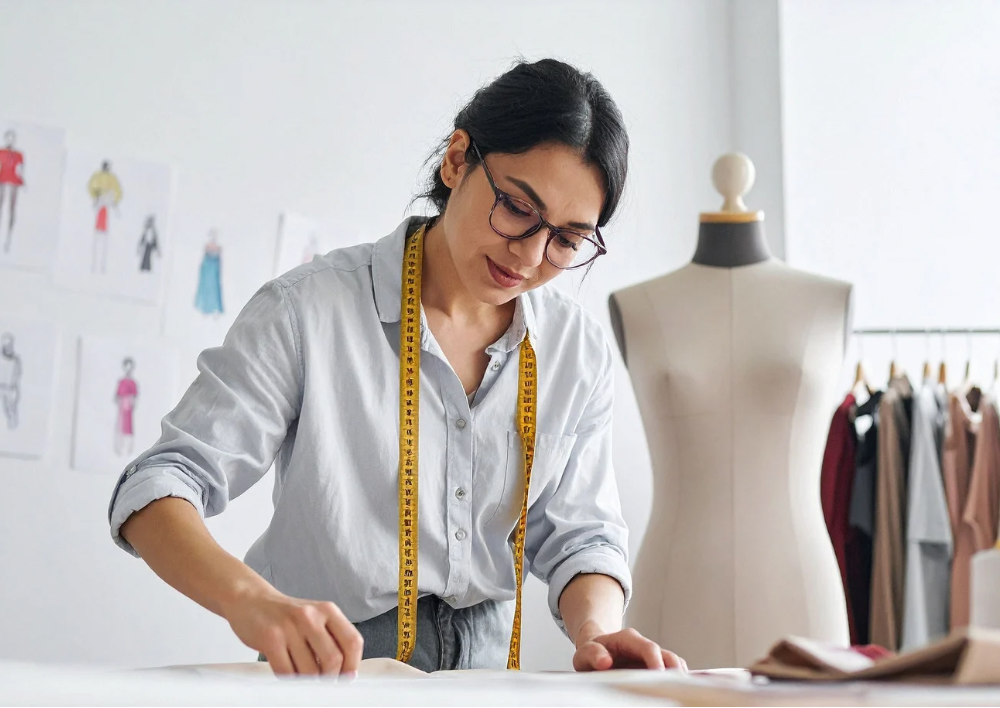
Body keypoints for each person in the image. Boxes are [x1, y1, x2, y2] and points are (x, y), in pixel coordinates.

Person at [108, 58, 687, 677]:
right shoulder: (309, 310)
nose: (530, 254)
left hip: (490, 683)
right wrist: (254, 603)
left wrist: (599, 633)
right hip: (329, 674)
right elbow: (158, 486)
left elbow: (582, 538)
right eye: (518, 207)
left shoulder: (577, 352)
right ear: (457, 159)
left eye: (568, 240)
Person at [0, 130, 25, 254]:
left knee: (12, 209)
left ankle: (9, 239)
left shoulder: (19, 154)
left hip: (14, 181)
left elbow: (20, 169)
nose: (10, 140)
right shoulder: (1, 152)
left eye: (12, 138)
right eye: (8, 138)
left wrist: (22, 180)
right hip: (2, 180)